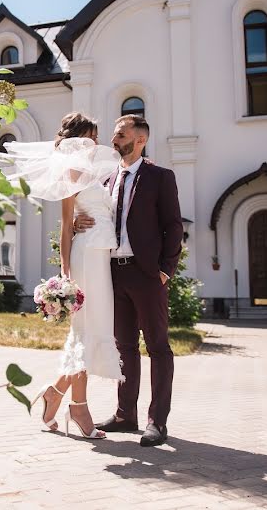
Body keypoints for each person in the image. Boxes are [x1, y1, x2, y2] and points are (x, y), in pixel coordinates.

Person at [0, 112, 123, 439]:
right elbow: (66, 224)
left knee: (96, 330)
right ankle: (79, 407)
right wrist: (65, 273)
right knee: (86, 331)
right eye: (90, 136)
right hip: (86, 258)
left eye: (96, 137)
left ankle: (56, 393)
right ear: (77, 138)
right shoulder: (72, 170)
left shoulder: (93, 172)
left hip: (101, 256)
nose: (94, 143)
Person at [75, 114, 183, 446]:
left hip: (148, 273)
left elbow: (173, 225)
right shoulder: (107, 177)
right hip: (113, 272)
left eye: (120, 134)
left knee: (158, 347)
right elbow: (97, 215)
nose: (113, 139)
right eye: (114, 132)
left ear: (140, 140)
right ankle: (125, 414)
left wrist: (166, 270)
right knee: (124, 347)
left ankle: (157, 422)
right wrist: (80, 222)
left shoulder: (160, 177)